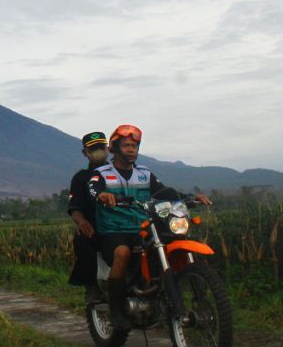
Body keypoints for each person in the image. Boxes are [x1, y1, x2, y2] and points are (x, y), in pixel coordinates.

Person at [88, 124, 211, 329]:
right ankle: (117, 311)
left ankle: (158, 292)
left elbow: (164, 192)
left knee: (166, 245)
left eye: (135, 146)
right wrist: (103, 195)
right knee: (122, 253)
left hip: (144, 227)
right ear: (115, 149)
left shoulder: (145, 174)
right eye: (127, 145)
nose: (131, 149)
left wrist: (189, 197)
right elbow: (93, 189)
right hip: (114, 230)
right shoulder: (101, 173)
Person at [67, 131, 109, 304]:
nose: (98, 151)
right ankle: (92, 285)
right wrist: (82, 222)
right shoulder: (80, 178)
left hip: (122, 224)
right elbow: (74, 207)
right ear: (85, 153)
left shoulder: (118, 173)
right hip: (96, 226)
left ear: (108, 149)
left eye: (101, 147)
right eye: (93, 149)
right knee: (82, 238)